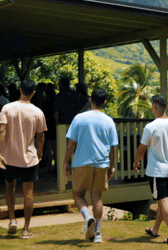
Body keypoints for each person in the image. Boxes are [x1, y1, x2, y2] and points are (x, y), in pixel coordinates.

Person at [64, 89, 118, 243]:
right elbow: (113, 148)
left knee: (78, 194)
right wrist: (111, 166)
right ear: (105, 102)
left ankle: (87, 217)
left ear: (90, 100)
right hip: (101, 163)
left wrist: (65, 161)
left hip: (81, 162)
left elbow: (71, 143)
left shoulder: (80, 118)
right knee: (97, 196)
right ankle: (98, 233)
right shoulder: (109, 121)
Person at [0, 79, 46, 239]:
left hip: (10, 157)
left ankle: (12, 220)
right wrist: (40, 151)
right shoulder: (38, 112)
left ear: (19, 89)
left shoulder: (7, 108)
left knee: (9, 187)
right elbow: (41, 135)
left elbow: (1, 131)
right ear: (33, 93)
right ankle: (26, 229)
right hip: (29, 158)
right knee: (28, 191)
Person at [134, 94, 168, 245]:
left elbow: (142, 147)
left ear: (155, 107)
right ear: (166, 107)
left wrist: (136, 161)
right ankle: (155, 230)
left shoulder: (151, 127)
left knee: (162, 201)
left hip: (156, 171)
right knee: (163, 200)